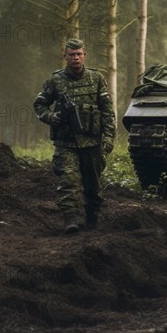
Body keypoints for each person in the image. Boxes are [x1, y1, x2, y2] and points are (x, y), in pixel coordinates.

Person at [34, 38, 116, 234]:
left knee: (93, 184)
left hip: (92, 142)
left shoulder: (97, 79)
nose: (76, 58)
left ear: (84, 55)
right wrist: (50, 117)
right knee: (68, 181)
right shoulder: (55, 80)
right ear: (65, 57)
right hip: (66, 143)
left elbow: (107, 111)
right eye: (72, 54)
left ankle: (92, 218)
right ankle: (71, 218)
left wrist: (109, 137)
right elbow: (39, 104)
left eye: (79, 54)